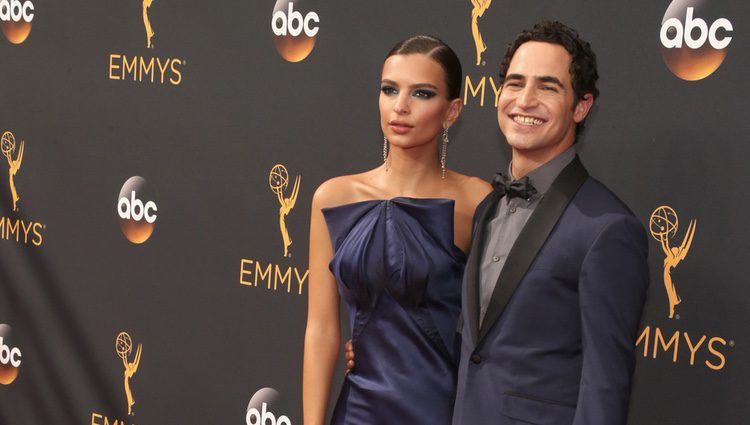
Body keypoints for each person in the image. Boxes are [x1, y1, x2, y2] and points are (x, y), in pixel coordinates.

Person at [347, 21, 649, 425]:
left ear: (581, 106)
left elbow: (605, 386)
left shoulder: (607, 228)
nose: (525, 100)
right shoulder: (487, 204)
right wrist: (382, 344)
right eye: (514, 83)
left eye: (548, 86)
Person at [302, 35, 491, 425]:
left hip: (439, 407)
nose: (400, 107)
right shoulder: (333, 197)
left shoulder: (476, 200)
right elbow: (321, 329)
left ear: (452, 111)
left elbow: (496, 326)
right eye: (390, 90)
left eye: (421, 93)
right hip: (359, 409)